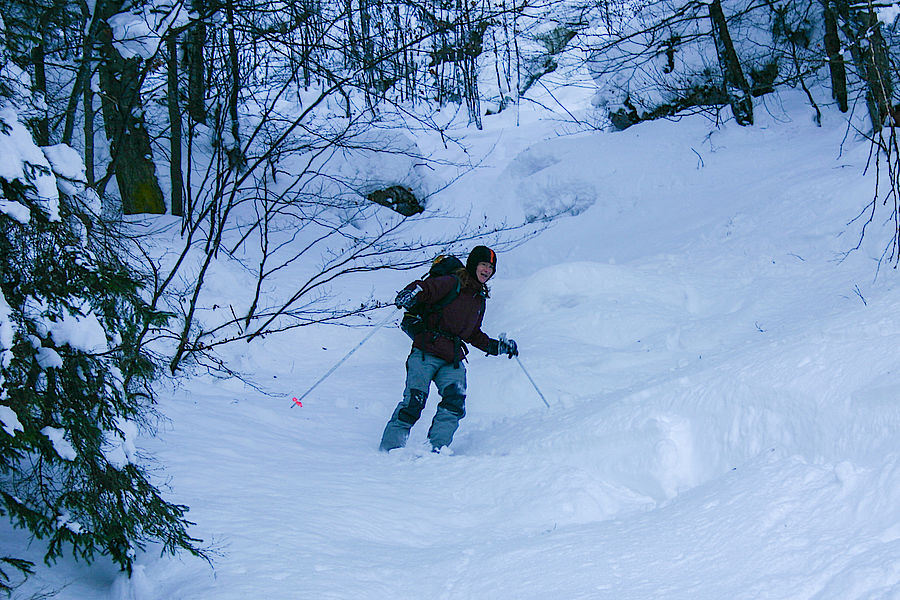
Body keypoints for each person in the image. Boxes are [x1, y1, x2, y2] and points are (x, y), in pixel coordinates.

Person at [379, 246, 518, 453]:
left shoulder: (478, 298)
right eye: (483, 265)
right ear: (473, 265)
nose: (487, 270)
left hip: (452, 358)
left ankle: (436, 451)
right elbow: (426, 289)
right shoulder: (452, 282)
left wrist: (498, 347)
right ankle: (389, 451)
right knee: (414, 403)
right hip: (426, 351)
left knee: (454, 403)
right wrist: (410, 293)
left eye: (490, 267)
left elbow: (472, 334)